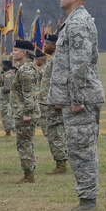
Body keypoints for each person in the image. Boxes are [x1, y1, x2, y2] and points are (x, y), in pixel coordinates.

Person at [50, 0, 105, 211]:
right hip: (75, 97)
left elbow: (80, 64)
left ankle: (88, 202)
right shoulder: (72, 22)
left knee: (82, 149)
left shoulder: (78, 23)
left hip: (81, 99)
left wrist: (77, 98)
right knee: (77, 148)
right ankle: (85, 199)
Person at [11, 39, 40, 183]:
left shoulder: (26, 71)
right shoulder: (24, 69)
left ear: (24, 53)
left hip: (25, 112)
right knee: (25, 142)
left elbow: (29, 94)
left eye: (16, 50)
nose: (13, 53)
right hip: (23, 111)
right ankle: (29, 173)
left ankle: (29, 175)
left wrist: (27, 113)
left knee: (24, 143)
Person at [39, 33, 68, 175]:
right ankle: (61, 162)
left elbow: (60, 80)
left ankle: (61, 164)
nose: (44, 46)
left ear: (54, 45)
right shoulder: (54, 58)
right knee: (55, 132)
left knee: (55, 133)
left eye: (46, 44)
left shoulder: (57, 59)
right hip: (50, 101)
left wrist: (58, 101)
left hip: (54, 102)